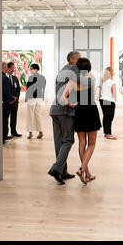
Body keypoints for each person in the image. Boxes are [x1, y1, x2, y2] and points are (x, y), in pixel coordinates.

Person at [61, 58, 101, 185]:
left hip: (79, 112)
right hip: (91, 111)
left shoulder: (72, 81)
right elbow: (94, 95)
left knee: (81, 143)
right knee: (92, 144)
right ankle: (82, 169)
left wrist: (71, 104)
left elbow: (62, 98)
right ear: (88, 67)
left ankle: (87, 174)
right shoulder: (91, 78)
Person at [47, 51, 85, 185]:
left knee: (59, 142)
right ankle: (56, 169)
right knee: (68, 140)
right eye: (79, 59)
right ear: (71, 60)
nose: (81, 62)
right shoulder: (75, 69)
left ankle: (62, 171)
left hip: (55, 109)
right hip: (65, 110)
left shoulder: (61, 71)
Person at [25, 64, 46, 139]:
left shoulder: (31, 77)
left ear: (35, 69)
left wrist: (26, 98)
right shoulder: (43, 78)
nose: (30, 70)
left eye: (31, 69)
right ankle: (40, 131)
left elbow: (28, 89)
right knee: (38, 115)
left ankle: (30, 133)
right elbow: (43, 89)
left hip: (31, 99)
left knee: (30, 116)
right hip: (39, 99)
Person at [99, 67, 117, 140]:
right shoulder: (112, 82)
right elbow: (114, 94)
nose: (114, 71)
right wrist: (115, 100)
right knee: (110, 118)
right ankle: (108, 134)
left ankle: (106, 133)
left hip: (103, 100)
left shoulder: (103, 81)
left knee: (106, 117)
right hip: (109, 101)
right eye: (113, 70)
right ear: (110, 72)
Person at [2, 62, 17, 144]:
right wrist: (12, 99)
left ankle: (4, 135)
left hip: (0, 103)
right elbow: (7, 91)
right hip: (5, 103)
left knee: (3, 120)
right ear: (5, 67)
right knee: (5, 120)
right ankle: (4, 137)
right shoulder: (4, 78)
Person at [7, 62, 22, 137]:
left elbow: (18, 89)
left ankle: (14, 132)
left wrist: (16, 98)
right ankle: (5, 134)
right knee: (6, 118)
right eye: (12, 68)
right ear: (8, 68)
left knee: (14, 117)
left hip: (15, 102)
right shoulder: (4, 78)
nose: (13, 70)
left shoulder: (15, 78)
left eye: (14, 68)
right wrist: (10, 99)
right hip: (8, 102)